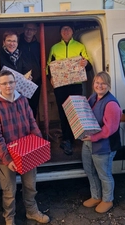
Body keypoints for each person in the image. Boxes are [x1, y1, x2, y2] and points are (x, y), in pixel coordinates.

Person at [0, 70, 50, 225]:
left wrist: (39, 145)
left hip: (27, 153)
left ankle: (32, 212)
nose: (8, 86)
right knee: (9, 192)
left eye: (11, 82)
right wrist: (7, 159)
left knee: (30, 186)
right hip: (5, 158)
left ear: (15, 83)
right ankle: (9, 218)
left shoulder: (22, 100)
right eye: (5, 83)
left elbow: (31, 122)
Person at [47, 23, 93, 155]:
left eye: (68, 29)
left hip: (75, 84)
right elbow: (49, 65)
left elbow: (88, 66)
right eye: (63, 29)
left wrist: (86, 63)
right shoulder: (55, 48)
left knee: (76, 112)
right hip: (60, 85)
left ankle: (77, 137)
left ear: (72, 32)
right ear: (60, 32)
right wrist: (50, 77)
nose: (66, 31)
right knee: (63, 112)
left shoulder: (80, 46)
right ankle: (67, 140)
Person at [81, 71, 122, 214]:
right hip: (88, 142)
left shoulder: (111, 104)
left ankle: (107, 200)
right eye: (97, 82)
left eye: (103, 83)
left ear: (108, 85)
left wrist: (92, 138)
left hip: (104, 145)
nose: (99, 85)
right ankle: (96, 196)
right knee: (90, 171)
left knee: (104, 174)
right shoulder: (93, 97)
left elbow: (109, 129)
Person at [19, 23, 42, 118]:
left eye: (32, 29)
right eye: (27, 29)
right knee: (20, 107)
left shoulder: (38, 45)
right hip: (20, 81)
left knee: (33, 106)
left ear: (35, 31)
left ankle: (32, 131)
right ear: (24, 29)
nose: (29, 31)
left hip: (35, 81)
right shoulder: (17, 43)